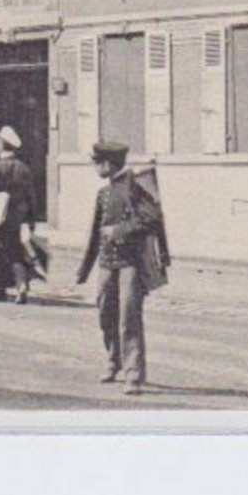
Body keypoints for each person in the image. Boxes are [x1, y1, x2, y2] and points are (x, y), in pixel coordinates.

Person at [75, 140, 166, 395]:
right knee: (105, 313)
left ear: (107, 163)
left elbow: (152, 219)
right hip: (106, 263)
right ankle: (112, 360)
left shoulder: (135, 186)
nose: (95, 168)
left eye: (97, 163)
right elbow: (94, 233)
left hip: (130, 262)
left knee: (129, 317)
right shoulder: (103, 193)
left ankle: (133, 374)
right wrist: (84, 269)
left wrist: (120, 230)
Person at [0, 125, 36, 304]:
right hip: (17, 217)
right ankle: (21, 285)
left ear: (1, 144)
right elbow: (31, 197)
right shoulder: (24, 169)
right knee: (16, 252)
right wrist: (31, 219)